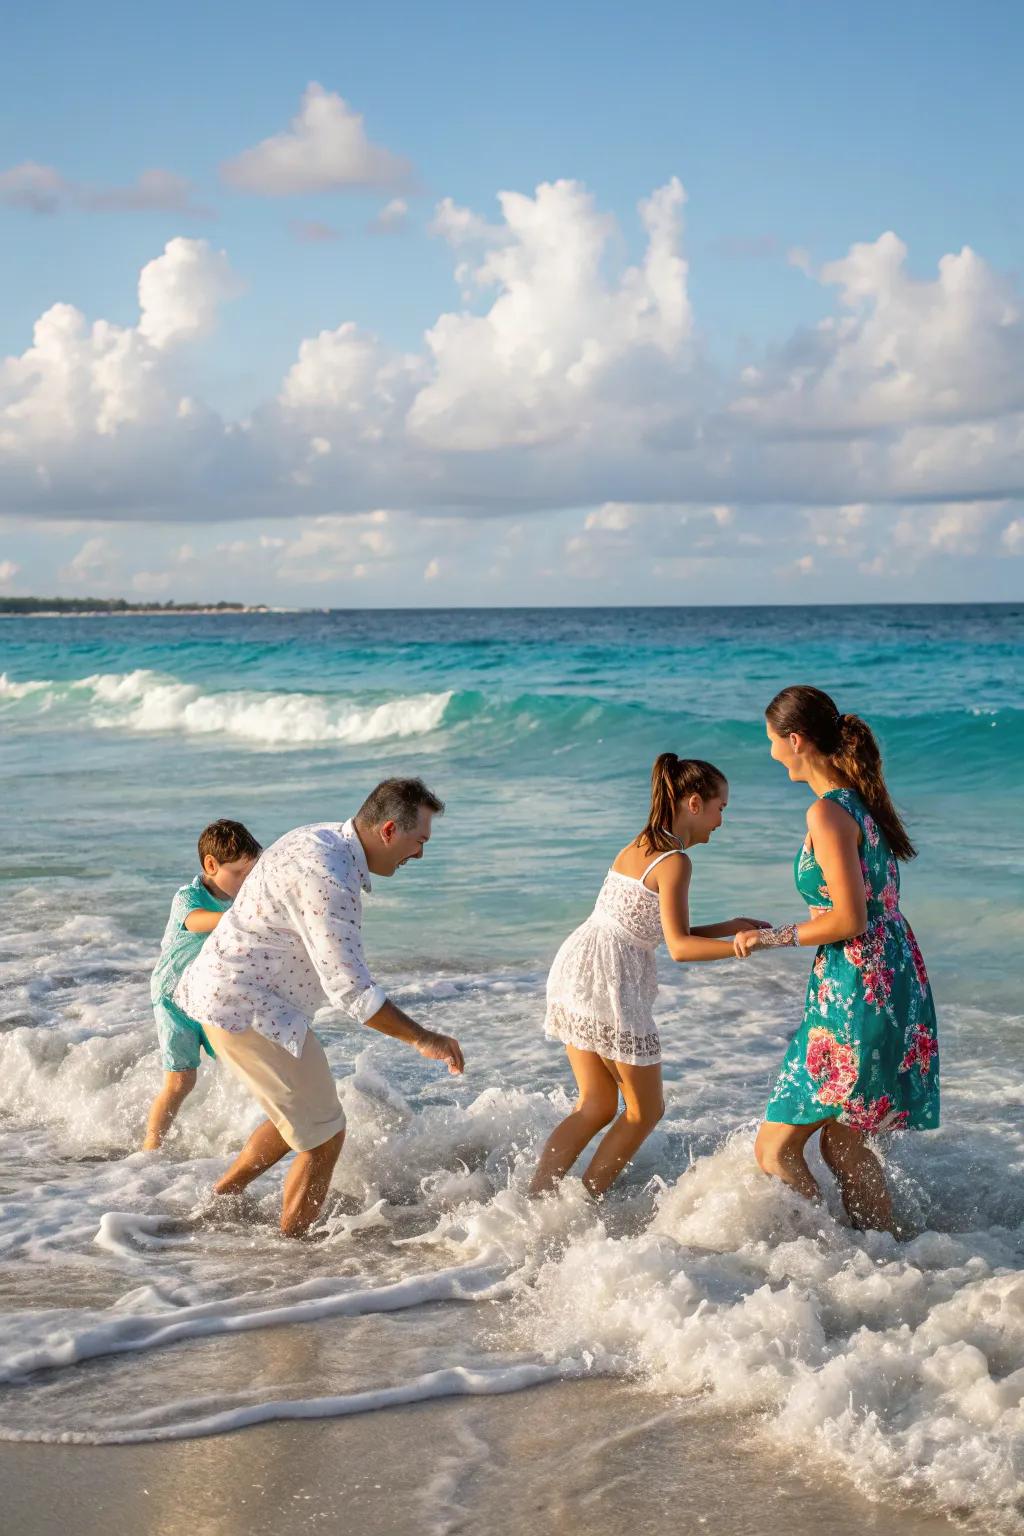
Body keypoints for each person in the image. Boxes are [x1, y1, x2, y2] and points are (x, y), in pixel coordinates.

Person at [176, 778, 464, 1238]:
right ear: (389, 830)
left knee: (302, 1117)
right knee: (325, 1138)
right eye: (419, 841)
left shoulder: (317, 837)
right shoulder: (329, 875)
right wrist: (423, 1038)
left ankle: (216, 1205)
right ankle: (290, 1252)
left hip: (239, 999)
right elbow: (350, 991)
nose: (420, 855)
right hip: (246, 1010)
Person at [736, 685, 939, 1235]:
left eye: (772, 740)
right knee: (844, 1142)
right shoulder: (860, 801)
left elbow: (848, 919)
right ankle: (885, 1258)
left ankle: (834, 1254)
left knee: (776, 1149)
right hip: (889, 976)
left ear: (795, 740)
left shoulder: (827, 813)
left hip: (856, 986)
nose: (771, 752)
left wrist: (771, 938)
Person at [530, 754, 768, 1199]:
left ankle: (536, 1198)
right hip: (611, 978)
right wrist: (739, 946)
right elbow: (679, 947)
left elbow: (651, 928)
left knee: (596, 1104)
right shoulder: (676, 861)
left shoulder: (640, 844)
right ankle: (588, 1200)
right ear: (694, 803)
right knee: (644, 1110)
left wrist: (727, 926)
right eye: (721, 808)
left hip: (579, 965)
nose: (722, 820)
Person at [143, 819, 261, 1151]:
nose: (245, 881)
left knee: (243, 1063)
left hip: (210, 994)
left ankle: (238, 1140)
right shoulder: (189, 895)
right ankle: (151, 1147)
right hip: (171, 995)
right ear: (211, 865)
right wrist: (238, 919)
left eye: (249, 873)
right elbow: (196, 922)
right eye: (238, 873)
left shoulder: (244, 901)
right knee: (181, 1080)